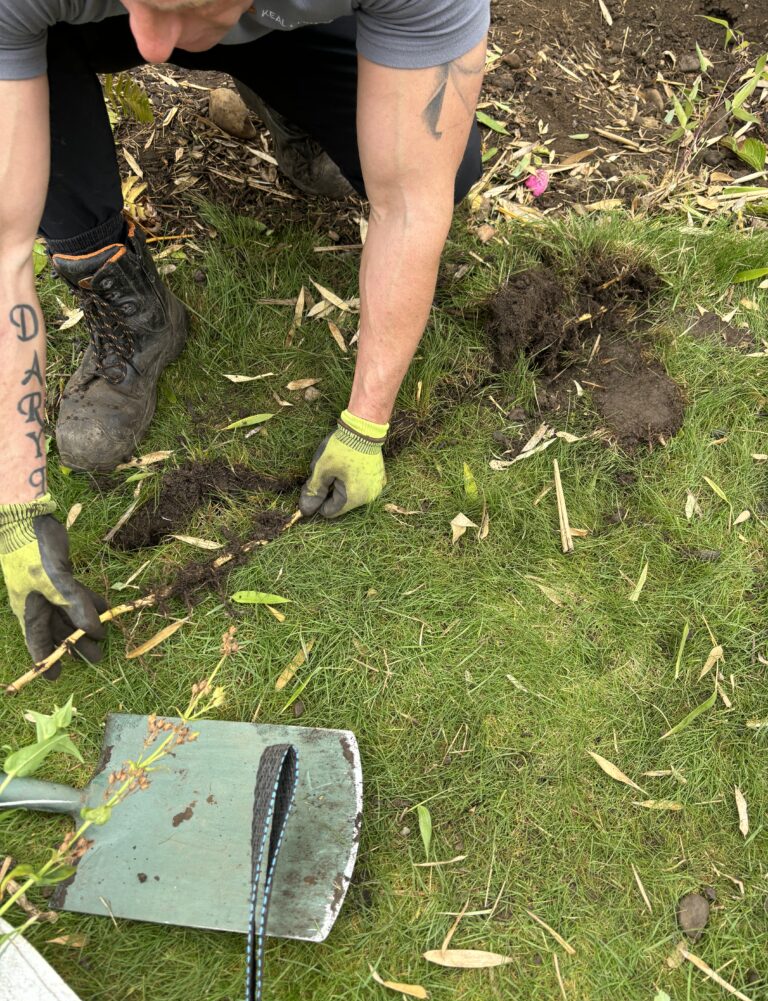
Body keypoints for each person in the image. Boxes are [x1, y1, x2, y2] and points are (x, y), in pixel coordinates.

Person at [0, 0, 489, 675]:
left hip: (301, 18)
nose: (153, 46)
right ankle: (130, 299)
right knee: (42, 42)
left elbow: (412, 204)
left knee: (446, 163)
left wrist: (366, 425)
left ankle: (293, 100)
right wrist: (13, 505)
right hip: (72, 26)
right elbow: (3, 249)